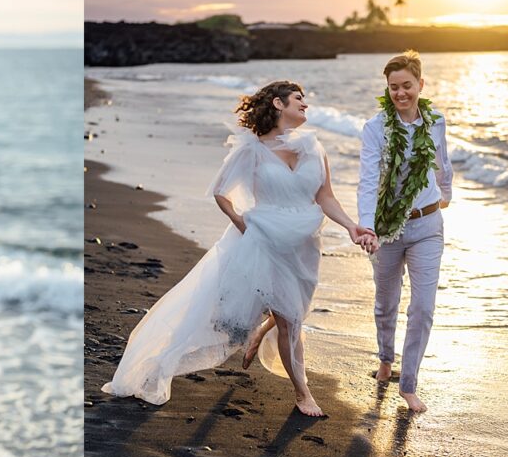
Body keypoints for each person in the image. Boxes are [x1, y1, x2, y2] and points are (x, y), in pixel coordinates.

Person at [102, 81, 376, 415]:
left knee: (294, 314)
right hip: (264, 241)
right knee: (289, 320)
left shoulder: (313, 147)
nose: (305, 104)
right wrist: (243, 226)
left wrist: (351, 226)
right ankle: (303, 393)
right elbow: (221, 191)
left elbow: (325, 196)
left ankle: (260, 331)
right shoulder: (252, 150)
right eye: (298, 99)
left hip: (304, 244)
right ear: (278, 103)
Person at [358, 50, 453, 414]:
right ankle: (385, 358)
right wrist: (366, 226)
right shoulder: (375, 129)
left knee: (423, 308)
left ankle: (409, 383)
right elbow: (368, 182)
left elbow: (443, 162)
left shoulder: (436, 121)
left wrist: (445, 195)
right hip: (386, 229)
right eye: (394, 87)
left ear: (420, 85)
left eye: (407, 86)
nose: (401, 93)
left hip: (428, 226)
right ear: (387, 89)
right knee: (387, 303)